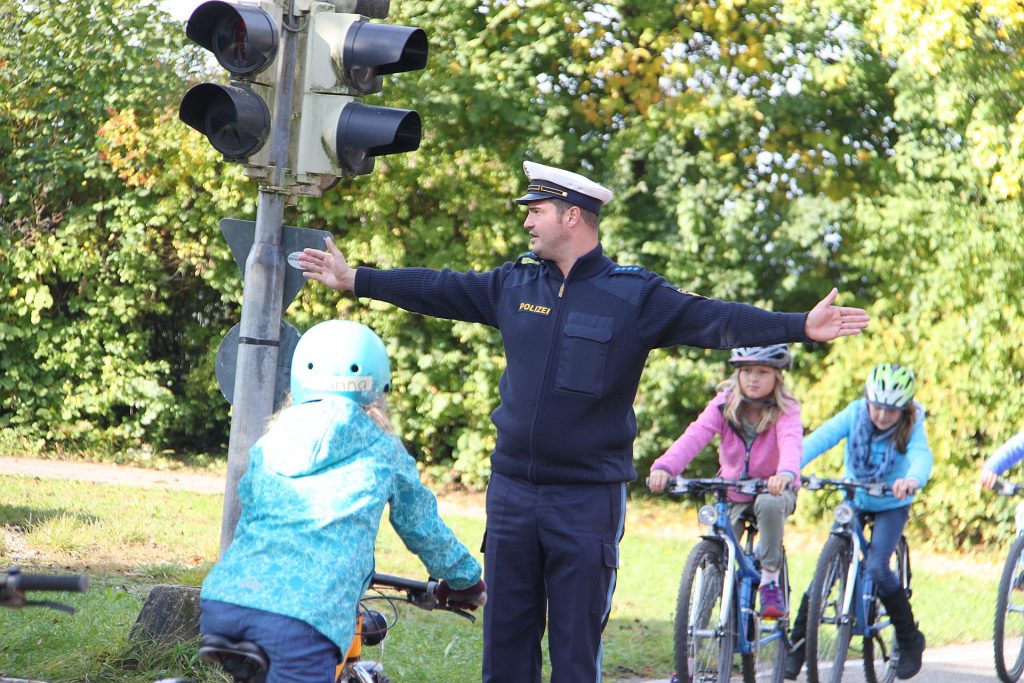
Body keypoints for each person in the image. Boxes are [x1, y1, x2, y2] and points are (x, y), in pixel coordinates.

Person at [298, 160, 870, 683]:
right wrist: (359, 280)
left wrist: (799, 325)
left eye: (536, 211)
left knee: (575, 653)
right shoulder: (515, 284)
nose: (527, 221)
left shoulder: (635, 296)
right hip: (513, 495)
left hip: (586, 501)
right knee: (505, 649)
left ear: (573, 216)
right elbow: (442, 287)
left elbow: (715, 320)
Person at [199, 320, 486, 683]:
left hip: (225, 603)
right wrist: (466, 580)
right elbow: (422, 527)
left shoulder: (271, 442)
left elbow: (252, 512)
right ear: (379, 387)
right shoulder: (383, 451)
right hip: (303, 620)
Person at [785, 363, 932, 681]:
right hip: (856, 496)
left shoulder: (913, 423)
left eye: (890, 411)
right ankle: (797, 647)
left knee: (878, 566)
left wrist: (911, 479)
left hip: (892, 502)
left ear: (904, 409)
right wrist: (790, 468)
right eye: (876, 406)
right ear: (867, 399)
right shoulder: (854, 413)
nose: (881, 415)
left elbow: (922, 457)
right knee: (824, 571)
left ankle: (910, 640)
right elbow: (820, 439)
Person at [648, 344, 802, 620]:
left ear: (777, 376)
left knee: (768, 504)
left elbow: (791, 442)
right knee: (717, 542)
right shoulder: (724, 403)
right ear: (737, 375)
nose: (753, 378)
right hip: (732, 491)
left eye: (762, 372)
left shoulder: (786, 409)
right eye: (746, 372)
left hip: (774, 488)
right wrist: (665, 467)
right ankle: (696, 627)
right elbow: (694, 436)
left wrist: (785, 474)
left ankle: (769, 581)